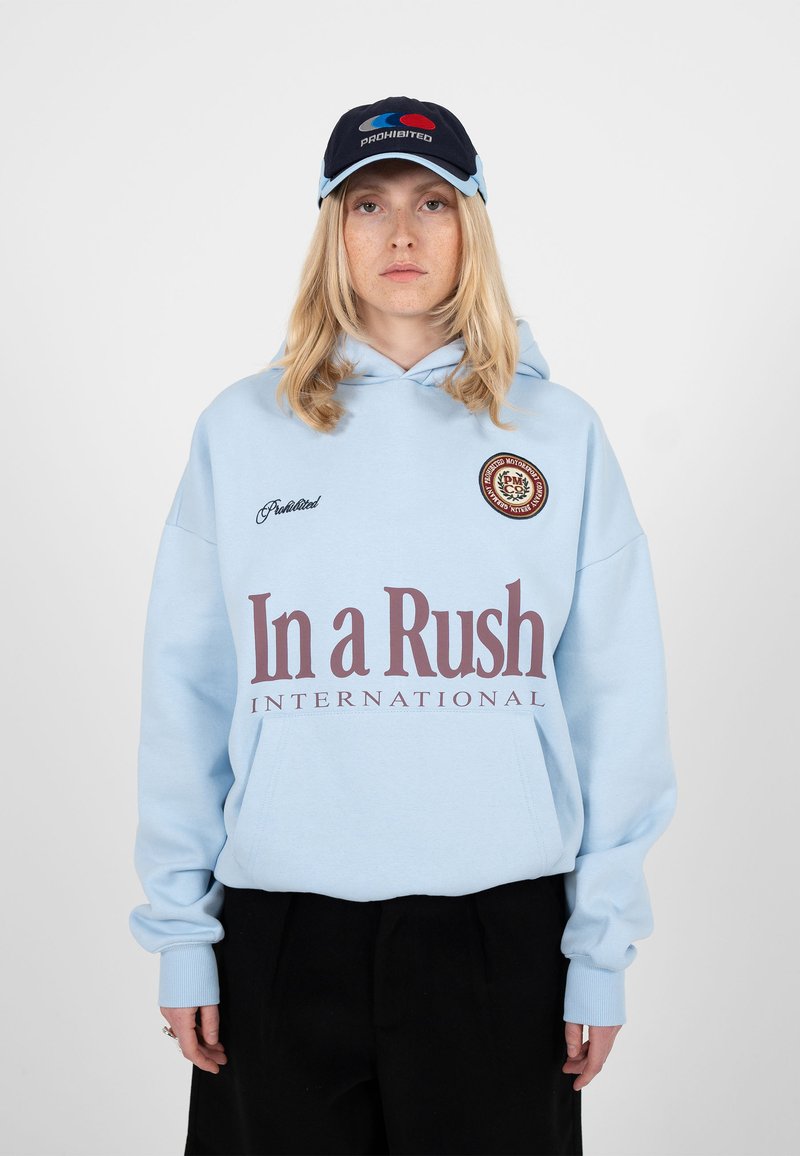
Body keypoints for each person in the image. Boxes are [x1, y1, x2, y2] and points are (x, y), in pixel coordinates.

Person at [129, 95, 677, 1156]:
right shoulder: (240, 430)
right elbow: (185, 693)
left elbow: (615, 702)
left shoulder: (556, 435)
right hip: (279, 930)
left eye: (433, 201)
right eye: (367, 202)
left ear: (472, 224)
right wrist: (183, 934)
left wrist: (599, 949)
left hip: (500, 934)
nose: (401, 233)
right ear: (332, 230)